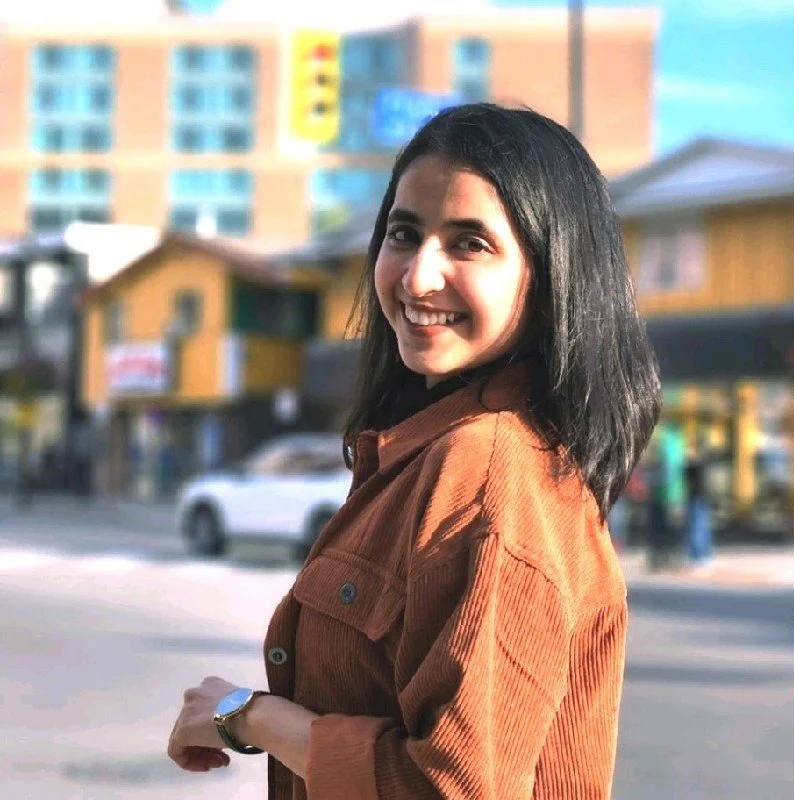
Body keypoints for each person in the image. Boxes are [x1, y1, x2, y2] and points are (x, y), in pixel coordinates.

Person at [167, 103, 662, 799]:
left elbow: (451, 788)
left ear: (550, 280)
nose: (418, 276)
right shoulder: (432, 452)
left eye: (470, 244)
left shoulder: (488, 469)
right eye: (405, 234)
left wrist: (250, 718)